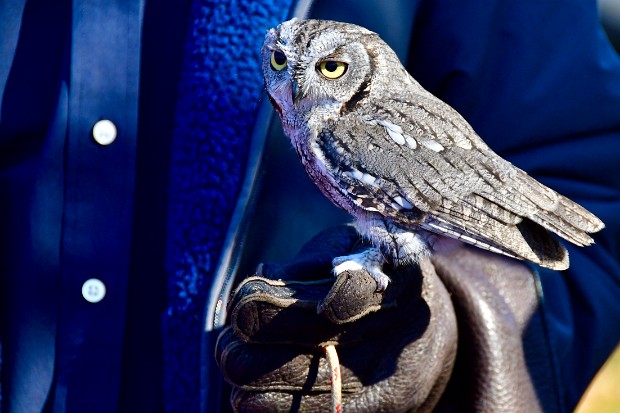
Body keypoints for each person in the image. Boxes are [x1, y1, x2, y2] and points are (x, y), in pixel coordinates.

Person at [1, 0, 618, 412]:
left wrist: (449, 343)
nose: (300, 88)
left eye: (327, 69)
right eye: (280, 66)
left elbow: (586, 188)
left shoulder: (347, 133)